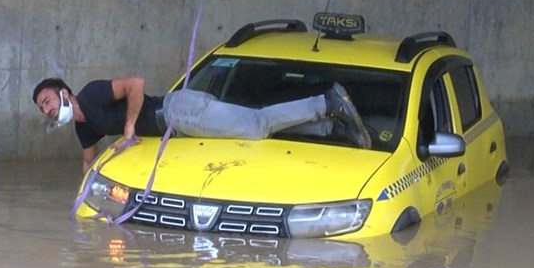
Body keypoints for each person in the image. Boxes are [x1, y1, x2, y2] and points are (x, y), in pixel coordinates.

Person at [33, 76, 371, 173]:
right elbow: (88, 163)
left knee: (257, 125)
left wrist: (129, 129)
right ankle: (331, 129)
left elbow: (135, 83)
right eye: (41, 108)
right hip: (182, 131)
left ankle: (326, 102)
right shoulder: (84, 127)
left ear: (64, 93)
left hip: (180, 112)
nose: (46, 109)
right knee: (254, 137)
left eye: (47, 100)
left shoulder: (92, 94)